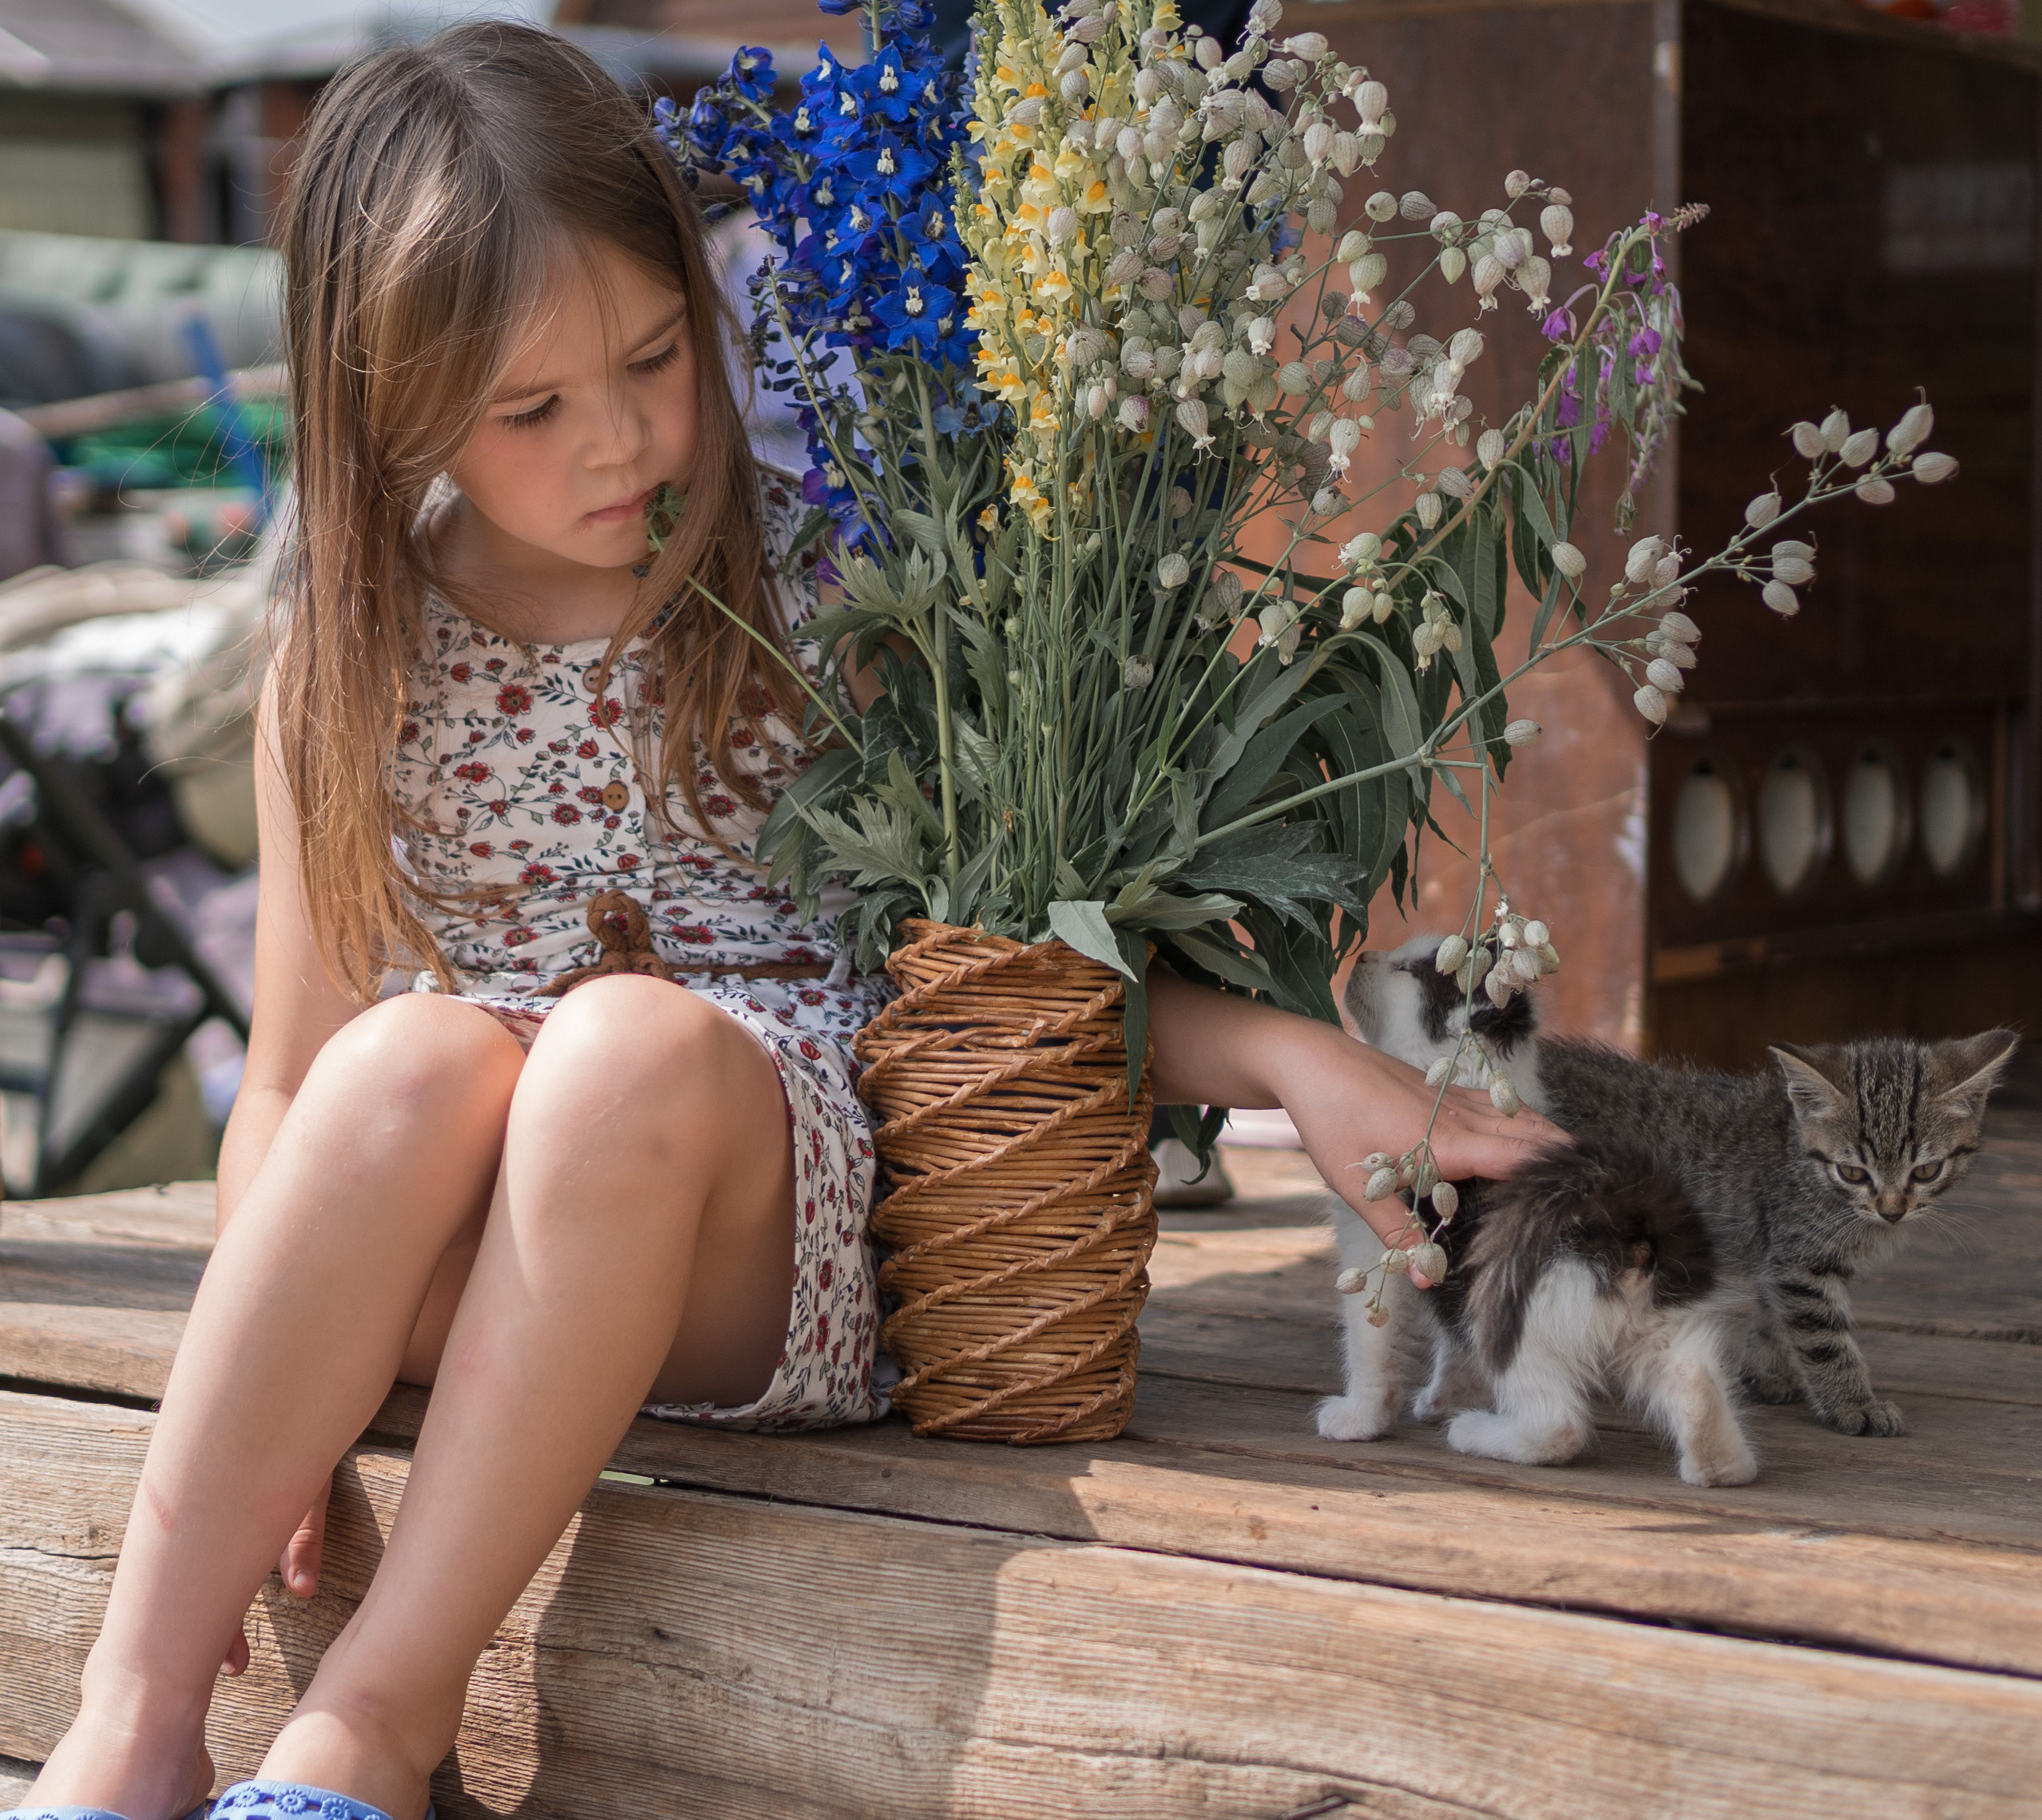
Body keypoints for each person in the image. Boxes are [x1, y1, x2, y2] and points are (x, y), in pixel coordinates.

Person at [10, 24, 1556, 1820]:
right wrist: (267, 1414)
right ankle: (124, 1731)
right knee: (404, 1056)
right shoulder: (345, 663)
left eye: (656, 358)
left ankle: (370, 1728)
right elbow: (281, 1080)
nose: (621, 441)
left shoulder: (830, 602)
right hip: (482, 1244)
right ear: (392, 405)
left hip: (775, 1247)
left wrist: (1298, 1056)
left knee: (615, 1048)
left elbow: (1002, 978)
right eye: (532, 410)